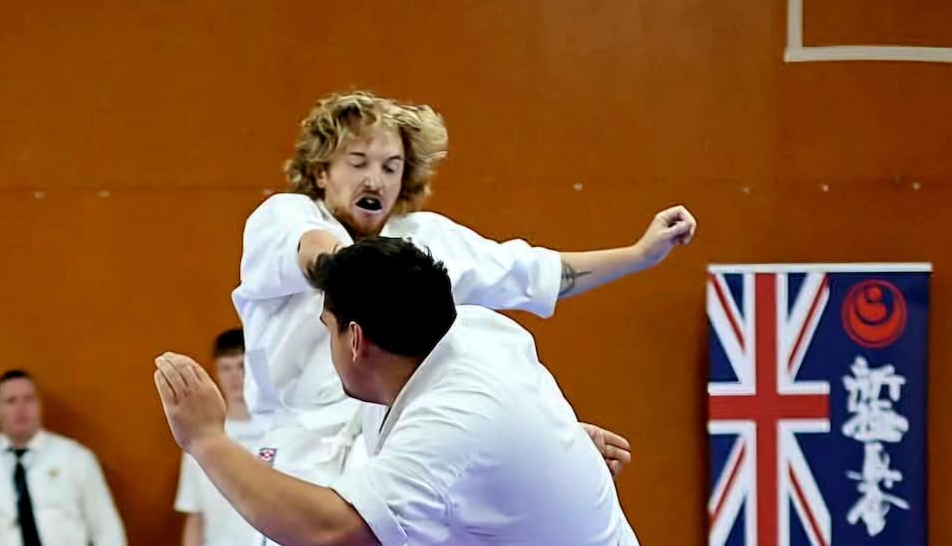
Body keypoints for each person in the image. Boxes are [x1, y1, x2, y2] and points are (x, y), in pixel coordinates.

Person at [233, 89, 694, 488]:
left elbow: (531, 272)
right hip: (300, 452)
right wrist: (363, 269)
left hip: (399, 443)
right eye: (358, 163)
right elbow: (316, 254)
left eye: (391, 167)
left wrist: (638, 255)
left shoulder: (424, 238)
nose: (375, 179)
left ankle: (546, 448)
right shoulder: (286, 216)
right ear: (320, 173)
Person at [155, 237, 640, 545]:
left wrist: (207, 440)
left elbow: (331, 530)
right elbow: (506, 423)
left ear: (356, 339)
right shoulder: (477, 329)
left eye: (328, 328)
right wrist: (545, 453)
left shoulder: (449, 426)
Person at [0, 370, 126, 546]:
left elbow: (105, 528)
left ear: (40, 406)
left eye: (29, 399)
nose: (21, 409)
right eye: (11, 401)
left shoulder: (76, 458)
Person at [174, 329, 264, 546]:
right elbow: (195, 515)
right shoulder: (200, 436)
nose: (235, 377)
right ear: (216, 372)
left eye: (242, 366)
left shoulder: (279, 432)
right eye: (226, 368)